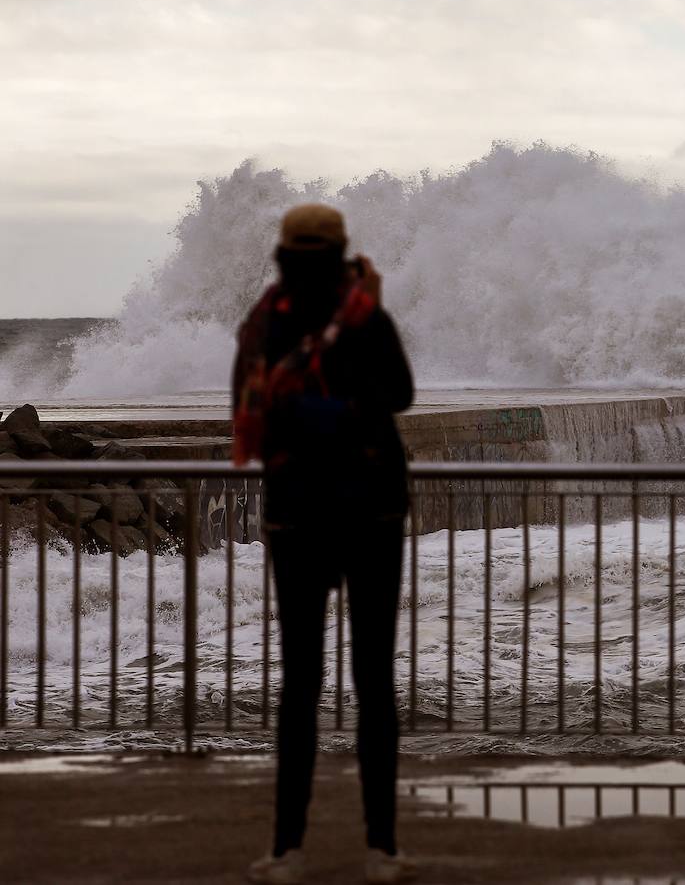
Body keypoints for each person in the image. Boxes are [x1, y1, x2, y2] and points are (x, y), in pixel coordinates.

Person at [233, 204, 417, 885]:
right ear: (343, 252)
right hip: (369, 509)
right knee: (372, 683)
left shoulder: (264, 324)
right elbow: (399, 394)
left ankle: (288, 852)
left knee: (301, 686)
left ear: (283, 257)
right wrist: (348, 411)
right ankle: (382, 850)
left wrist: (310, 414)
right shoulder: (365, 315)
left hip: (302, 515)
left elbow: (254, 419)